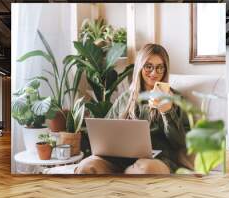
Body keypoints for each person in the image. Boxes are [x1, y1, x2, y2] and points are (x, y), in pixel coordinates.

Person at [75, 43, 194, 174]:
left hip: (157, 160)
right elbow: (105, 132)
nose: (154, 72)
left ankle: (128, 176)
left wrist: (167, 112)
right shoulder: (126, 97)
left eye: (160, 67)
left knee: (146, 170)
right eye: (149, 67)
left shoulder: (175, 98)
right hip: (119, 159)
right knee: (86, 166)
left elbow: (182, 143)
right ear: (140, 67)